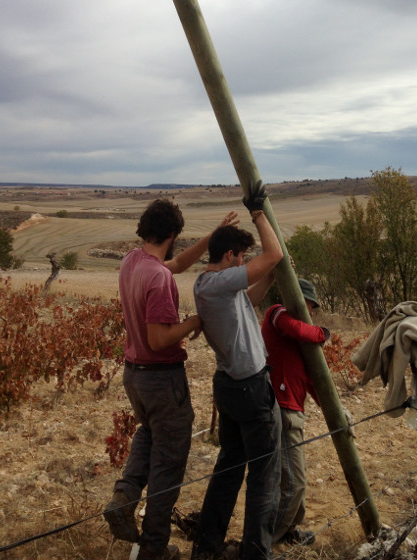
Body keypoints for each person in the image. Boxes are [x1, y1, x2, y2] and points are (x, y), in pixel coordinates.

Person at [104, 198, 238, 560]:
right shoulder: (159, 279)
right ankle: (154, 549)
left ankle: (124, 496)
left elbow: (176, 263)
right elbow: (159, 339)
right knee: (169, 463)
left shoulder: (133, 260)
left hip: (135, 377)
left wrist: (212, 236)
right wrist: (195, 322)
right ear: (173, 233)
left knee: (148, 434)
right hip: (163, 379)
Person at [190, 181, 284, 560]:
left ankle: (207, 547)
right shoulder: (217, 282)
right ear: (229, 256)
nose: (245, 262)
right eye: (242, 257)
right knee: (264, 475)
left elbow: (249, 300)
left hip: (230, 387)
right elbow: (275, 252)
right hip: (249, 388)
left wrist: (271, 279)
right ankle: (256, 554)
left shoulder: (212, 287)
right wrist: (259, 213)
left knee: (229, 467)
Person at [261, 278, 330, 546]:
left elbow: (310, 378)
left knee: (295, 479)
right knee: (293, 483)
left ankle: (289, 529)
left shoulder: (297, 335)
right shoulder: (277, 313)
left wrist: (331, 408)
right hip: (283, 409)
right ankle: (266, 542)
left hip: (293, 410)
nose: (309, 313)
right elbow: (299, 329)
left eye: (312, 308)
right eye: (307, 305)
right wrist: (321, 334)